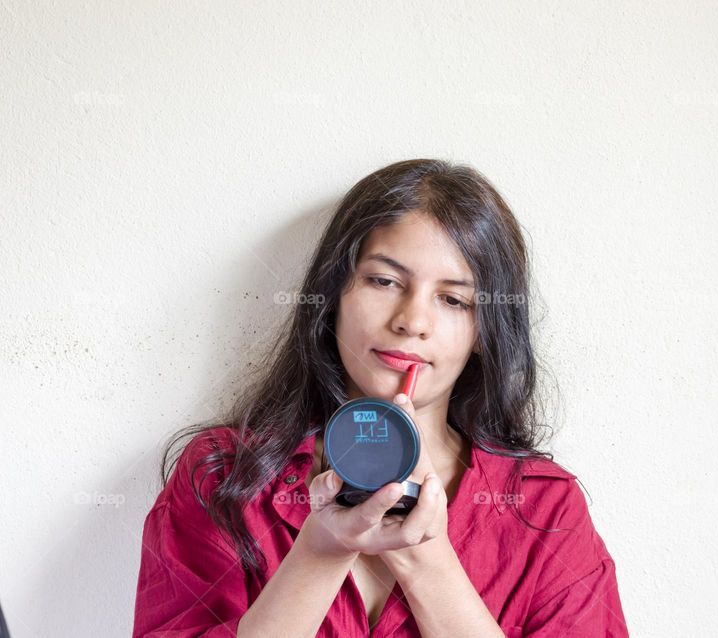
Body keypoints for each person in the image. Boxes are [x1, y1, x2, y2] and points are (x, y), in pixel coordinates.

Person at [132, 159, 628, 637]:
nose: (412, 320)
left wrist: (427, 560)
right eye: (384, 281)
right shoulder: (224, 477)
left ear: (484, 330)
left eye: (453, 299)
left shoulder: (545, 510)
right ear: (334, 295)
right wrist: (318, 556)